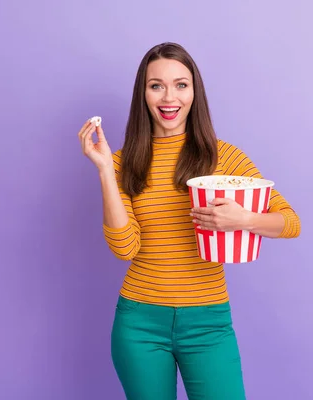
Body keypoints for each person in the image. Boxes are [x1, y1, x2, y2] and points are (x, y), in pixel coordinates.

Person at [77, 42, 301, 400]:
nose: (170, 97)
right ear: (143, 93)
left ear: (195, 92)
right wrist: (105, 169)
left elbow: (290, 223)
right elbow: (124, 247)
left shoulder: (224, 156)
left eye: (181, 84)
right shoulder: (122, 162)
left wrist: (243, 219)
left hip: (209, 322)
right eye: (156, 85)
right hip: (140, 323)